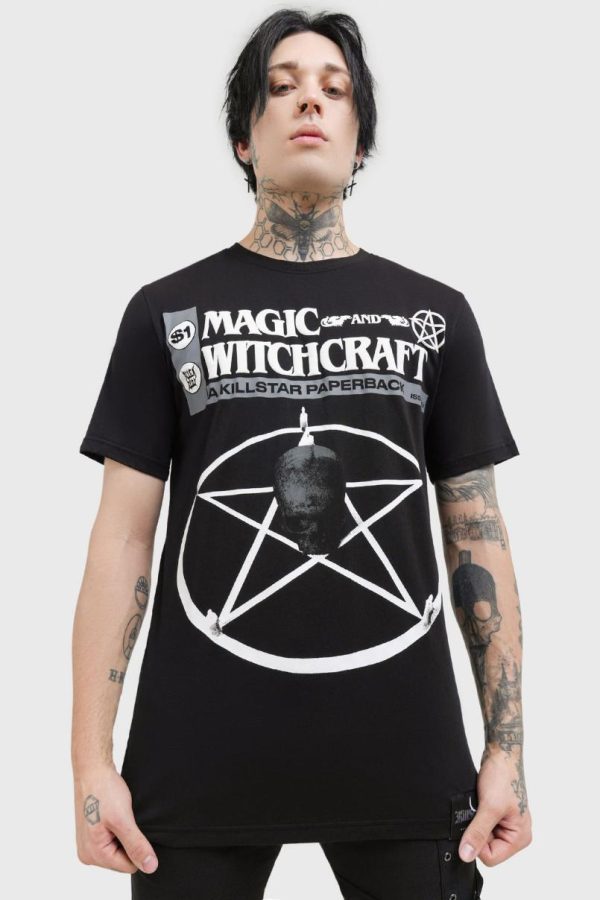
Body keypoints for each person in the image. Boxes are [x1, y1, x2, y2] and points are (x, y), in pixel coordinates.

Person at [71, 9, 532, 899]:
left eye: (334, 88)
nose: (308, 102)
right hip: (196, 765)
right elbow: (121, 541)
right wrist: (91, 765)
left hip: (406, 765)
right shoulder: (167, 313)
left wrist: (507, 749)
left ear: (362, 141)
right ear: (244, 140)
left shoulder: (436, 317)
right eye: (281, 87)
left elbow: (477, 536)